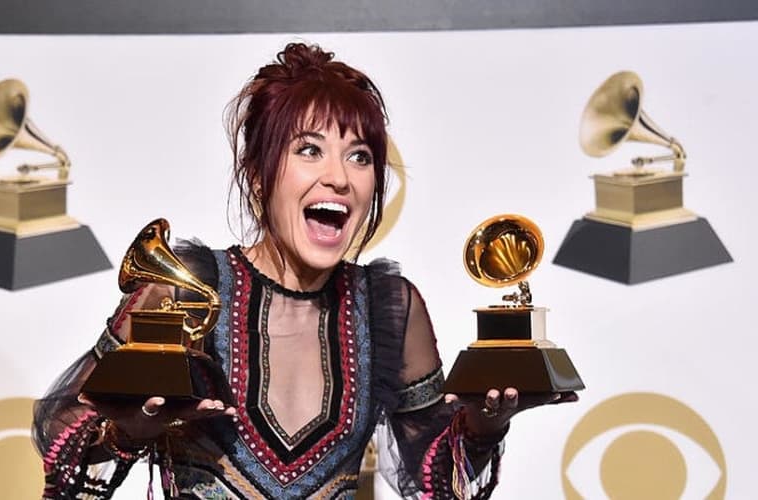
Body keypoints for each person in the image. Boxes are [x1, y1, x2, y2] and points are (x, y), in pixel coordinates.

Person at [33, 42, 574, 499]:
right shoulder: (183, 291)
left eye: (360, 156)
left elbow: (434, 485)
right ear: (259, 174)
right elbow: (62, 464)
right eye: (309, 150)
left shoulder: (389, 309)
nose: (339, 177)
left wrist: (484, 427)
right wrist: (126, 434)